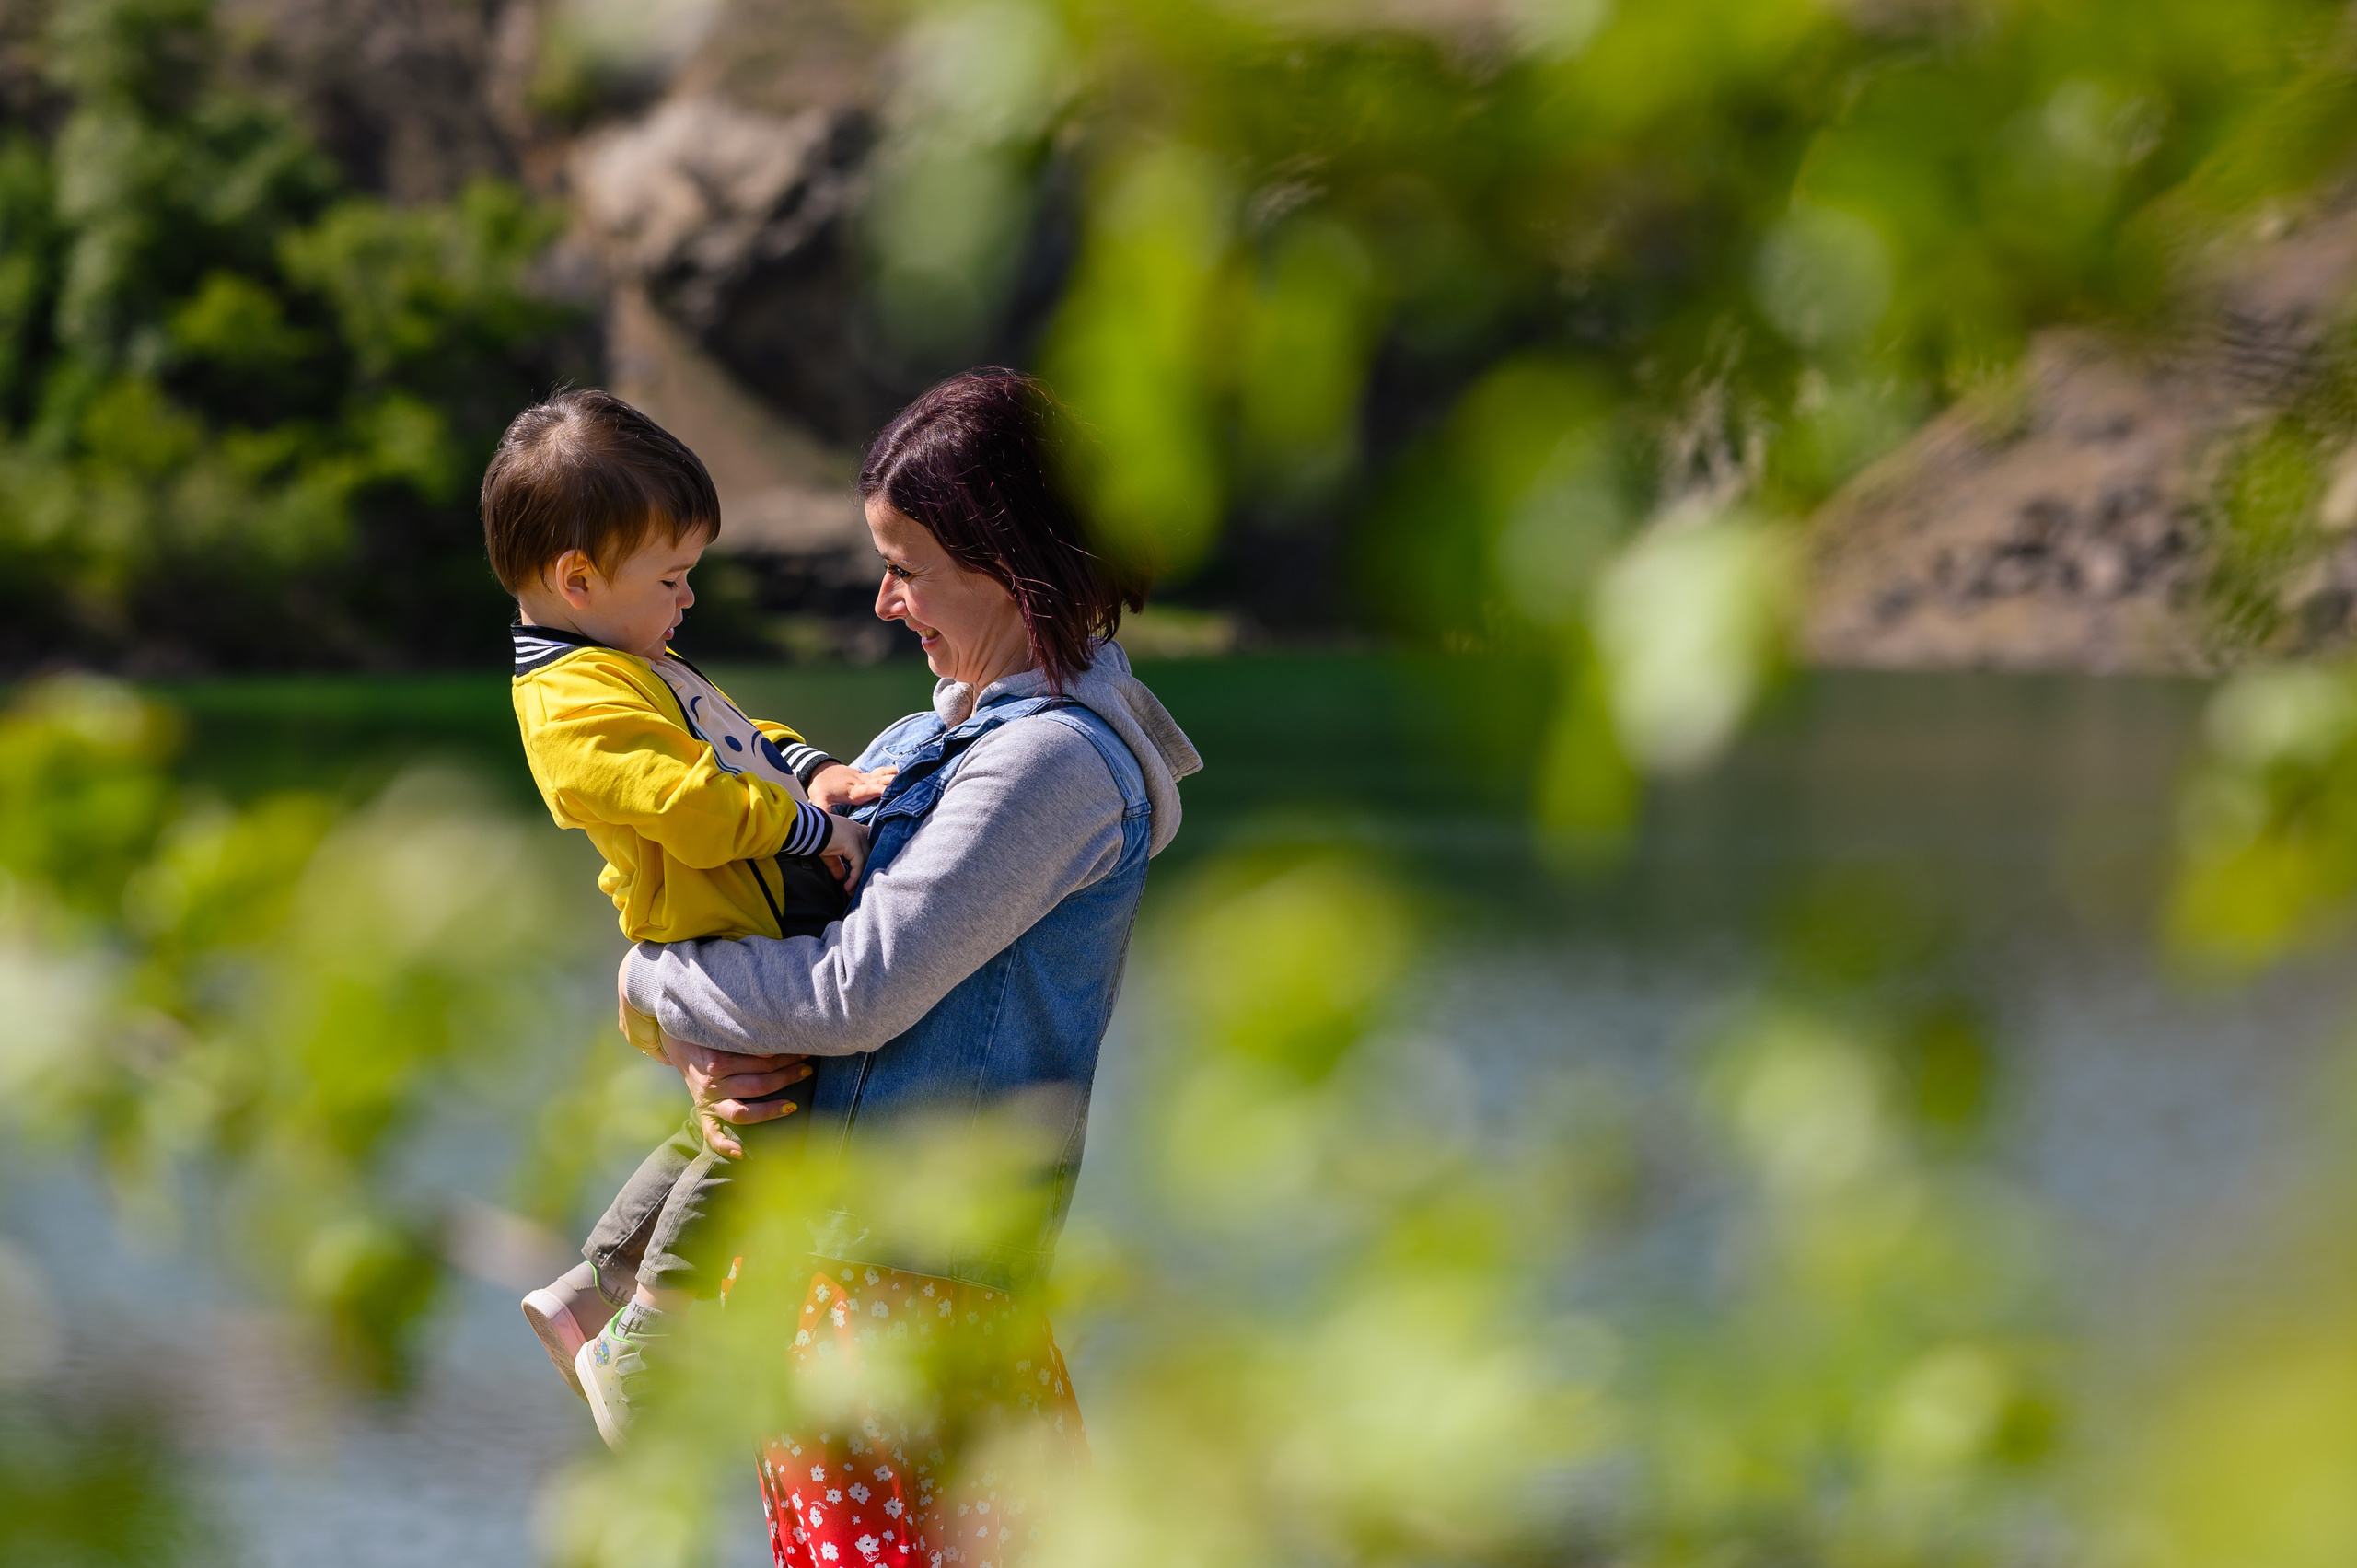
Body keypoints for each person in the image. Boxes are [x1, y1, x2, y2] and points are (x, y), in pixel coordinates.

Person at [622, 367, 1201, 1568]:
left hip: (921, 1305)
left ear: (1006, 562)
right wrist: (697, 1048)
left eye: (909, 564)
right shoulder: (912, 745)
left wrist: (659, 985)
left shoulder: (1054, 765)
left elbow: (854, 989)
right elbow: (762, 958)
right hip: (836, 1295)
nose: (885, 602)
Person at [482, 389, 895, 1447]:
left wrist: (814, 769)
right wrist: (810, 830)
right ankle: (651, 1330)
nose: (690, 597)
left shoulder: (630, 658)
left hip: (738, 922)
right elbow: (691, 803)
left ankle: (590, 1289)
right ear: (578, 579)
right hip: (713, 931)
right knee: (766, 1128)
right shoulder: (573, 699)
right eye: (670, 577)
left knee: (726, 1115)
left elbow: (735, 735)